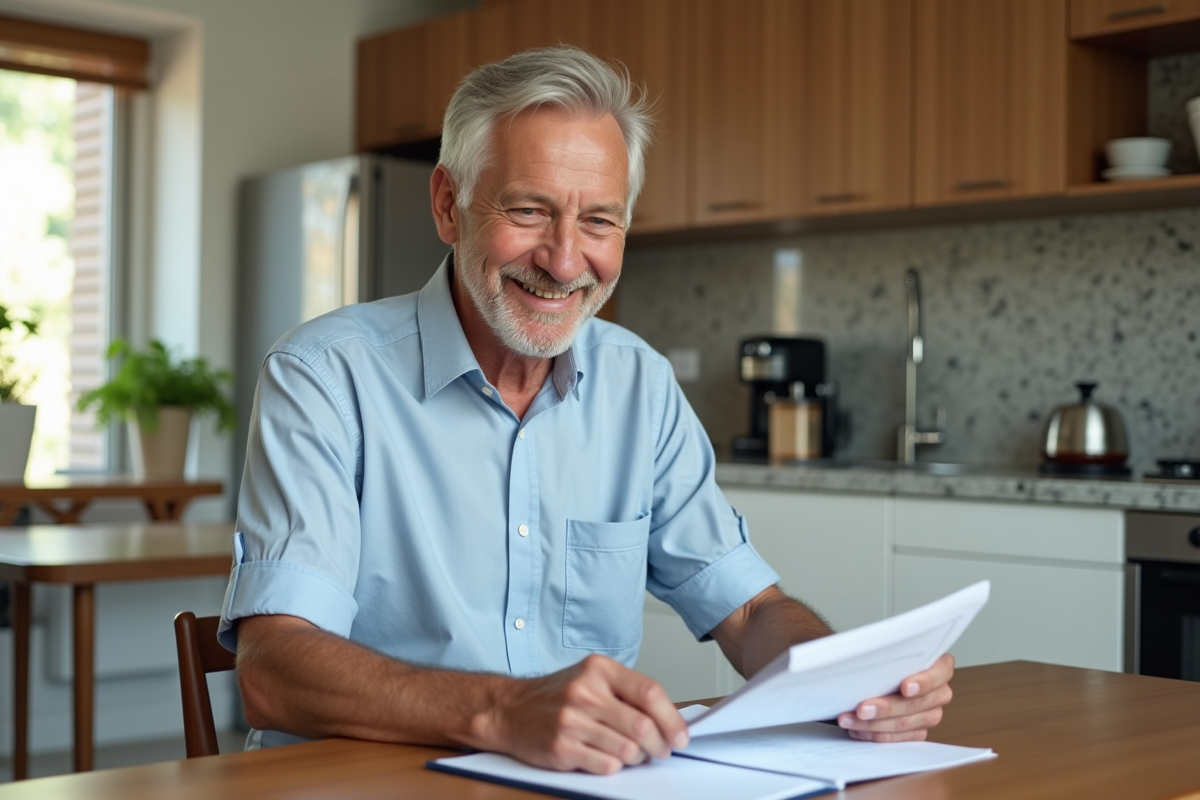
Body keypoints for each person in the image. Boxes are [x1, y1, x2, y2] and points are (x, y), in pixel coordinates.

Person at [218, 45, 954, 775]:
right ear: (448, 205)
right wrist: (504, 712)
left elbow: (751, 612)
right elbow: (274, 668)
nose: (566, 261)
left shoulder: (641, 385)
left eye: (599, 222)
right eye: (530, 210)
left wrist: (850, 685)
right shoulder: (322, 376)